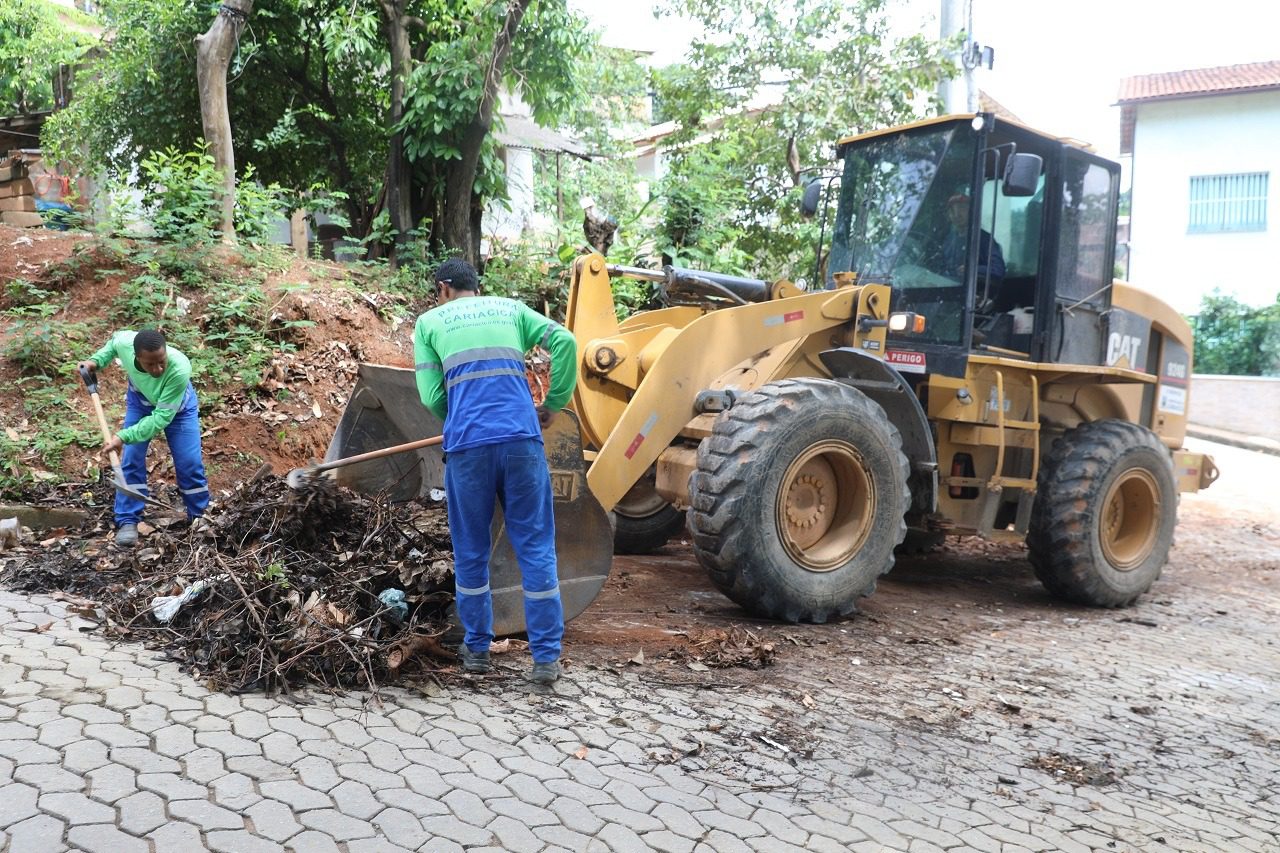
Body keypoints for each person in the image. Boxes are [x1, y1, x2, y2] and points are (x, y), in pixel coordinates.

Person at [413, 258, 578, 685]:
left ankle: (478, 652)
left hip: (468, 449)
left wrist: (459, 418)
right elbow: (565, 342)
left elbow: (431, 395)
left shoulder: (430, 323)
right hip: (522, 443)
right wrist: (554, 403)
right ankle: (545, 660)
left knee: (471, 550)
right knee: (536, 549)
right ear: (476, 286)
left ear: (444, 287)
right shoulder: (511, 310)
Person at [77, 329, 209, 546]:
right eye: (150, 364)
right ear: (136, 357)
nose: (157, 369)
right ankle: (128, 519)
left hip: (178, 410)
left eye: (161, 362)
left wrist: (123, 436)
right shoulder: (126, 343)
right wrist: (95, 361)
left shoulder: (179, 368)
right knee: (131, 459)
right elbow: (113, 343)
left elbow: (161, 418)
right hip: (140, 402)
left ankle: (200, 517)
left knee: (189, 463)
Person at [940, 191, 1005, 284]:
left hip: (973, 293)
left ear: (971, 211)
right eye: (952, 210)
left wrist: (972, 269)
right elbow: (940, 267)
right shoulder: (948, 240)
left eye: (961, 208)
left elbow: (998, 270)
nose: (956, 214)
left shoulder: (984, 239)